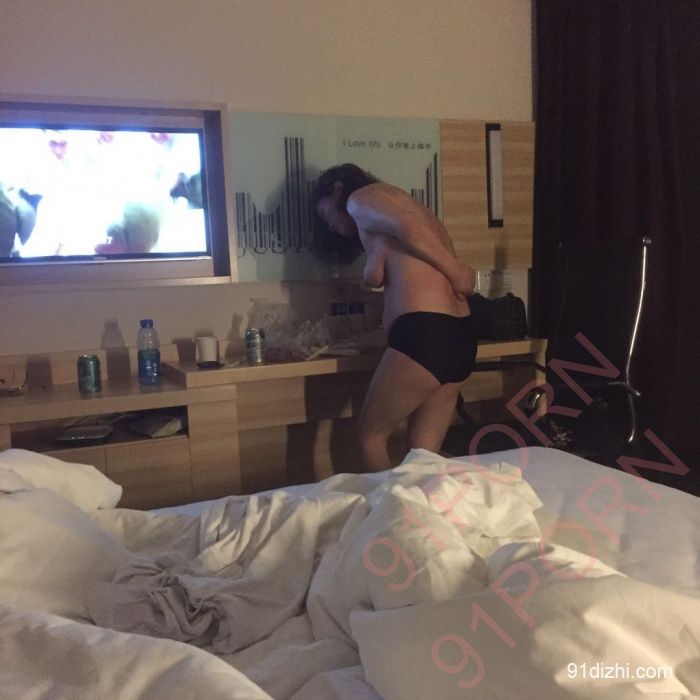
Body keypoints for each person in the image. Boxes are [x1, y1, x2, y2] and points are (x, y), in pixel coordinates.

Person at [312, 163, 477, 471]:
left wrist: (458, 273)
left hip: (426, 336)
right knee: (422, 456)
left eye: (325, 214)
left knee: (370, 436)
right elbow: (412, 285)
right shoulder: (400, 209)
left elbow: (408, 227)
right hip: (459, 335)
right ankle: (417, 503)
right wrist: (359, 295)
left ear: (336, 189)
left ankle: (391, 503)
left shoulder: (361, 198)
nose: (329, 225)